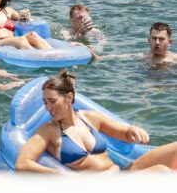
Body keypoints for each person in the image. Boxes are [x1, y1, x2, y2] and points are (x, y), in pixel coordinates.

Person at [15, 69, 177, 172]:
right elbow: (22, 164)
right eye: (45, 102)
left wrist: (133, 130)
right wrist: (60, 175)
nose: (48, 107)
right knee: (162, 172)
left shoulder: (89, 118)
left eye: (52, 101)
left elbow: (125, 134)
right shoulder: (48, 130)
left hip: (123, 173)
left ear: (69, 98)